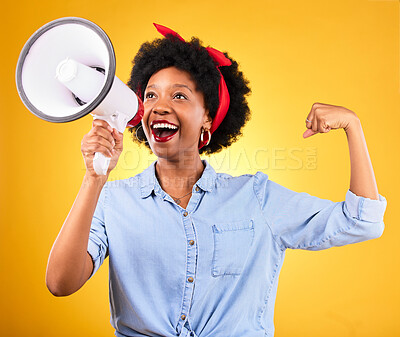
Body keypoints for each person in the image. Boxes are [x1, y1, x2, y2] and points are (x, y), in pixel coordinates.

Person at [45, 24, 387, 337]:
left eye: (178, 96)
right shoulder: (114, 200)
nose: (159, 106)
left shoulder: (256, 197)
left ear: (208, 117)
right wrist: (94, 178)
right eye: (150, 95)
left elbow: (362, 222)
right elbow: (60, 283)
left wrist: (353, 126)